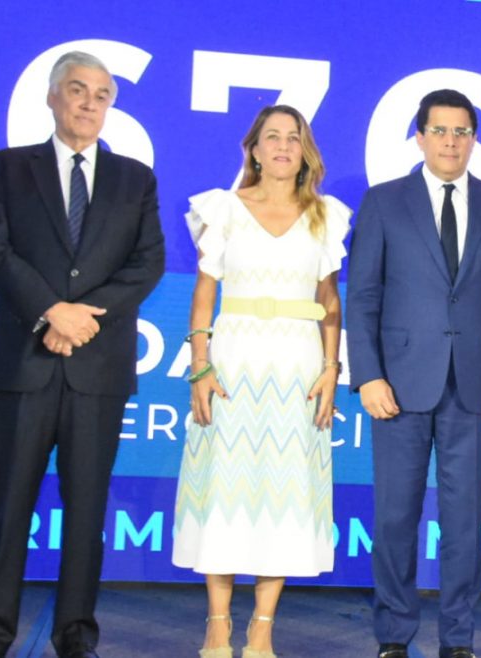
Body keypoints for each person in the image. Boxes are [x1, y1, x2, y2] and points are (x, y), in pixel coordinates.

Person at [0, 51, 165, 658]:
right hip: (21, 366)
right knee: (8, 507)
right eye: (78, 90)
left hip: (97, 373)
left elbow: (147, 263)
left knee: (87, 511)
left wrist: (80, 319)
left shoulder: (136, 178)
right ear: (53, 96)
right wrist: (51, 311)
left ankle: (76, 635)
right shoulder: (9, 167)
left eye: (102, 95)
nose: (89, 104)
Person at [346, 89, 481, 658]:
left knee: (464, 523)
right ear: (420, 137)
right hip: (397, 386)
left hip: (473, 387)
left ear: (474, 140)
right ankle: (394, 636)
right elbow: (363, 296)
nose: (451, 142)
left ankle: (458, 639)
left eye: (462, 132)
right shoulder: (384, 202)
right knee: (395, 518)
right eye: (440, 131)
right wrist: (368, 375)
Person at [171, 104, 350, 658]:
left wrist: (331, 369)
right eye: (272, 137)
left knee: (285, 498)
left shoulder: (325, 215)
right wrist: (201, 365)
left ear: (305, 150)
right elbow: (204, 292)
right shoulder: (223, 209)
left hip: (298, 367)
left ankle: (262, 630)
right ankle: (218, 626)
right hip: (233, 361)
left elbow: (329, 302)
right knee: (222, 493)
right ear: (253, 149)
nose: (282, 146)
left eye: (293, 137)